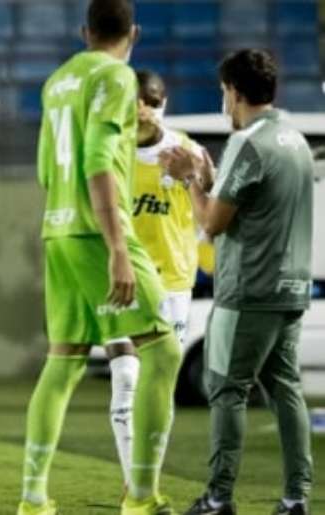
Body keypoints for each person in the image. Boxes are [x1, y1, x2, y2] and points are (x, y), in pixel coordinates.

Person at [18, 1, 182, 514]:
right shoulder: (117, 76)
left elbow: (47, 169)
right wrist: (117, 248)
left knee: (63, 362)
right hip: (97, 231)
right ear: (133, 32)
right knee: (165, 351)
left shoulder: (57, 81)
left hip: (58, 230)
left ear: (84, 31)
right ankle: (141, 495)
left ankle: (33, 497)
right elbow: (96, 160)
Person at [162, 49, 314, 515]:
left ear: (233, 91)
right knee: (286, 390)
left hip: (247, 290)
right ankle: (295, 498)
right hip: (291, 290)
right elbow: (251, 205)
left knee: (227, 391)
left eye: (224, 92)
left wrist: (190, 178)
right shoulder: (295, 140)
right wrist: (211, 178)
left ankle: (218, 497)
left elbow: (212, 223)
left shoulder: (249, 144)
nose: (224, 101)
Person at [107, 70, 202, 491]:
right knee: (126, 377)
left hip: (174, 284)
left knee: (158, 385)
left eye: (155, 99)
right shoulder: (109, 151)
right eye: (139, 98)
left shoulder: (187, 149)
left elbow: (212, 210)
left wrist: (196, 176)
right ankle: (136, 482)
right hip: (122, 279)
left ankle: (148, 472)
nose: (147, 106)